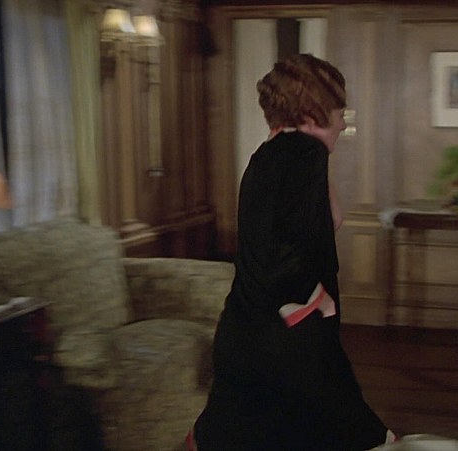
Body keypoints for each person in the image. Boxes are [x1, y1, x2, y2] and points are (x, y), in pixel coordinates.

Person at [190, 53, 394, 451]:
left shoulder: (269, 154)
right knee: (358, 433)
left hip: (247, 331)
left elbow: (326, 219)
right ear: (312, 112)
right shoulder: (304, 153)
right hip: (283, 337)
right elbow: (281, 249)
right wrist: (314, 299)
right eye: (339, 112)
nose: (343, 123)